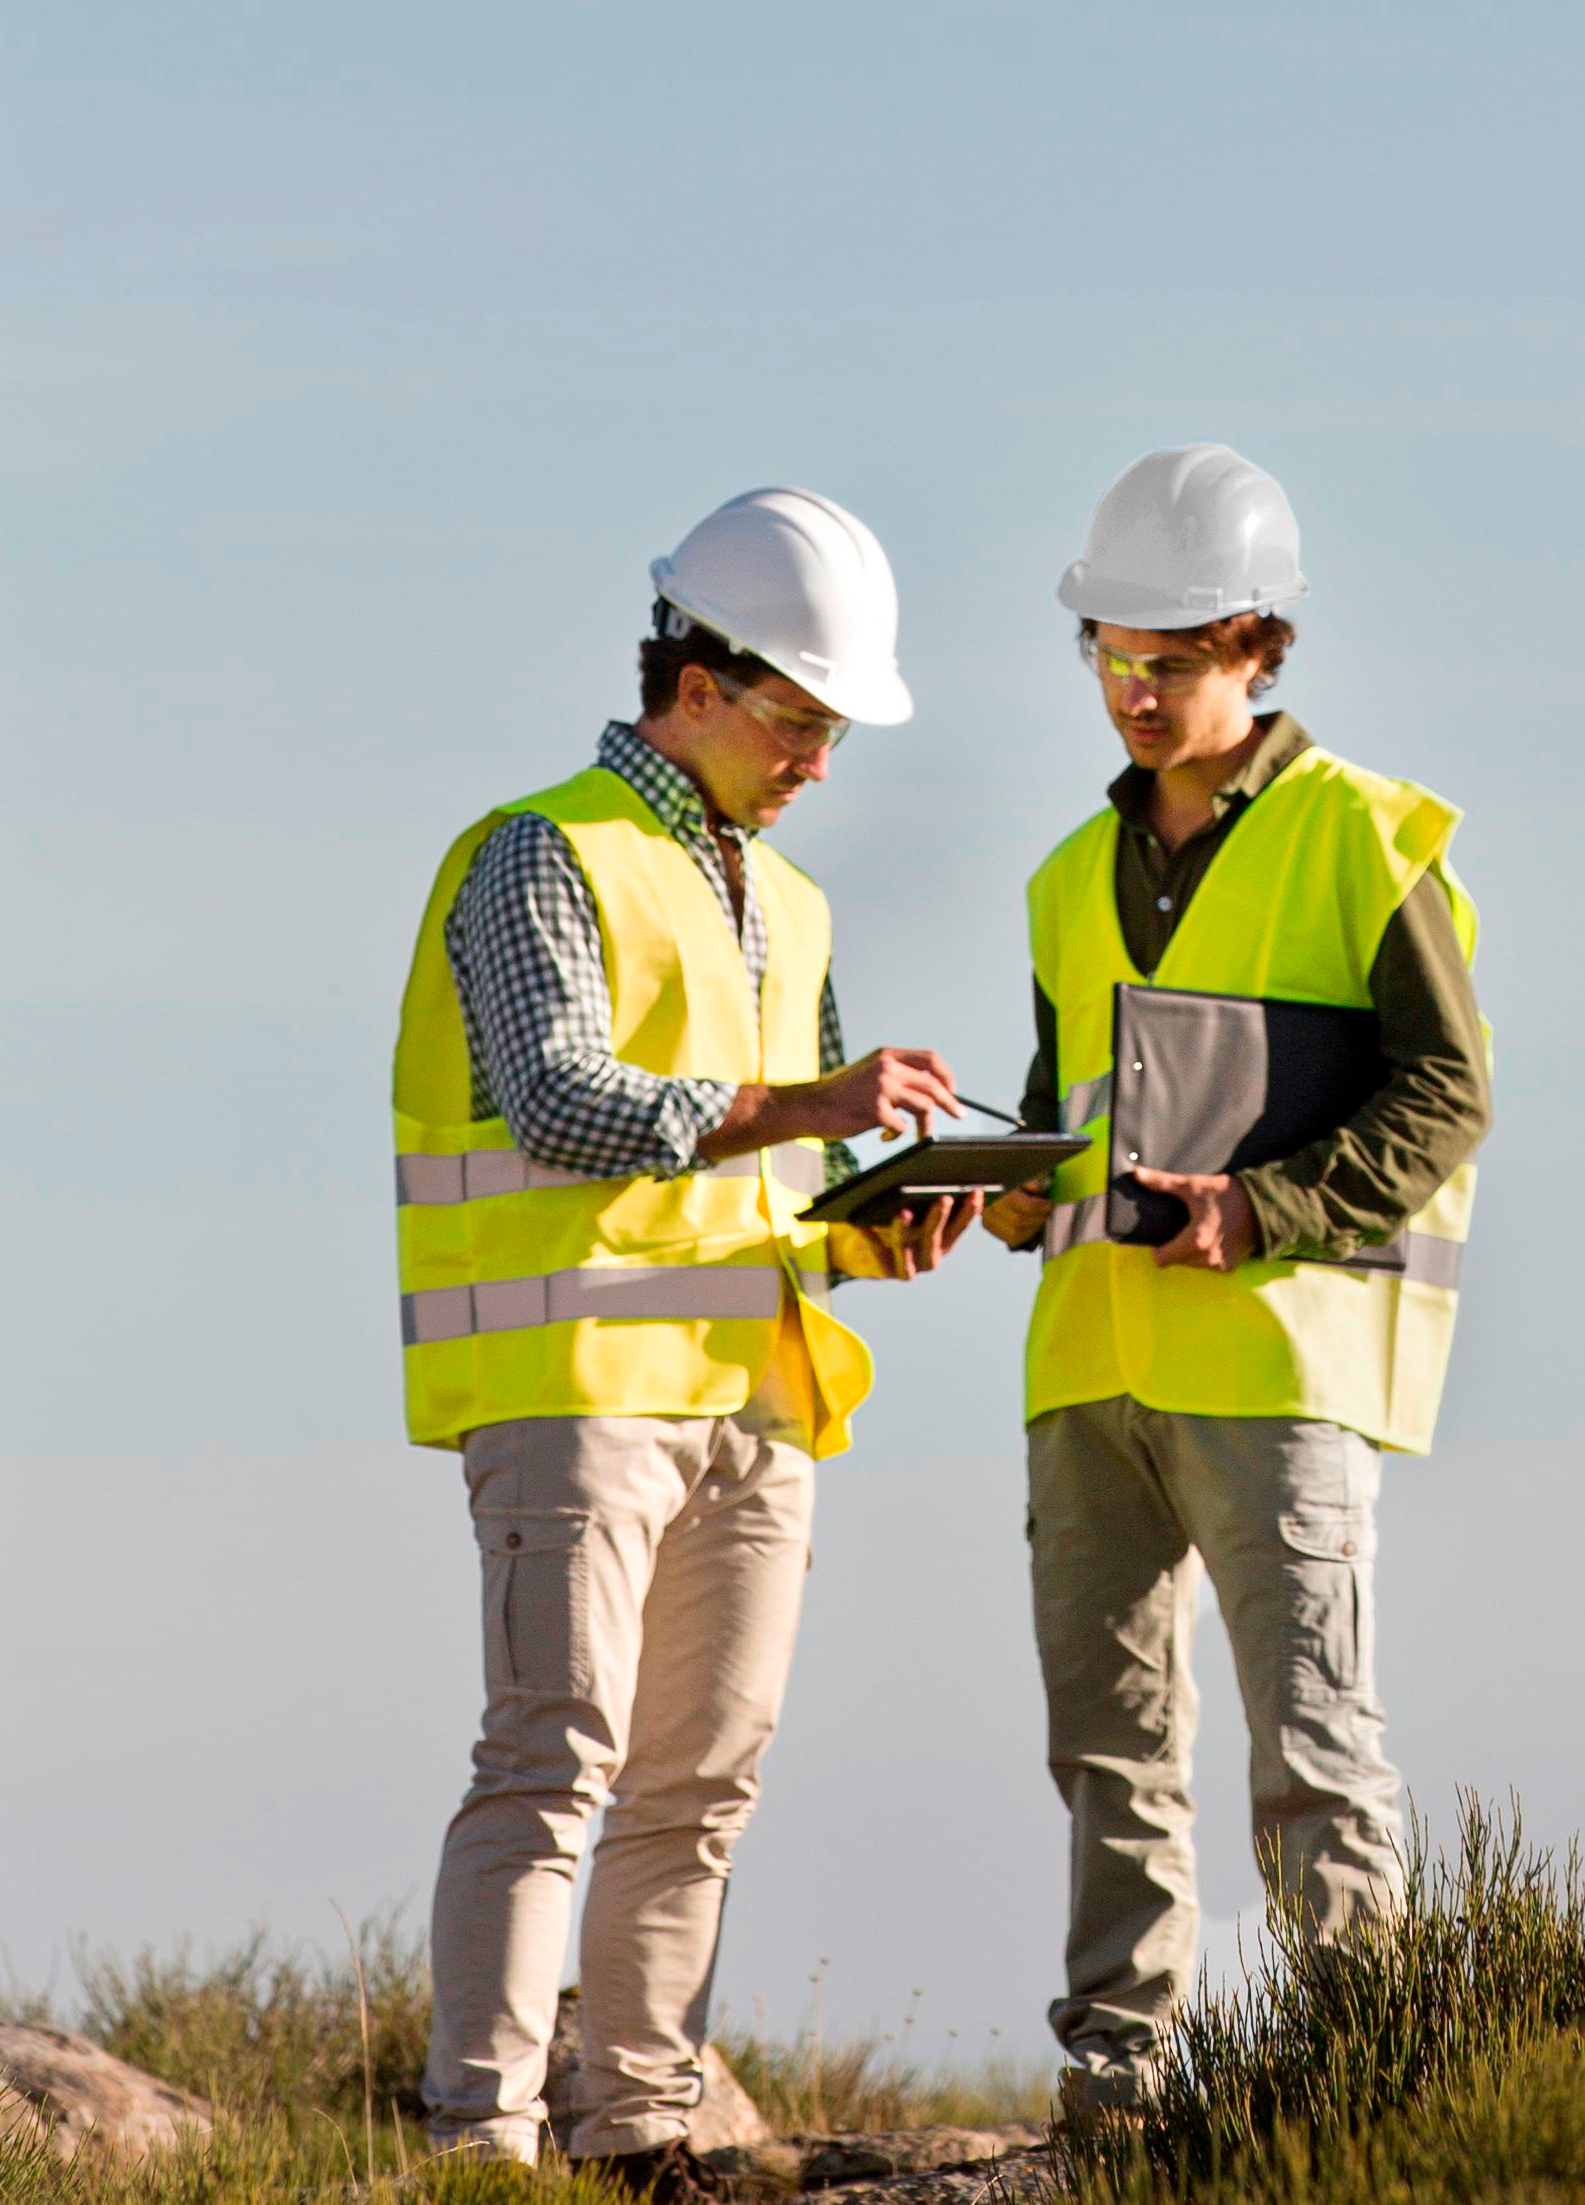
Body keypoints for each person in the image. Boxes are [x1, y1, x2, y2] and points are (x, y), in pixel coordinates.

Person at [394, 487, 978, 2187]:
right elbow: (563, 1097)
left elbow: (792, 1168)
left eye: (835, 732)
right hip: (574, 1386)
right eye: (799, 720)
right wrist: (809, 1100)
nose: (818, 761)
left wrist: (885, 1224)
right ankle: (481, 2139)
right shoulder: (537, 851)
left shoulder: (791, 911)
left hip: (754, 1398)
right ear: (697, 681)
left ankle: (646, 2133)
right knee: (551, 1765)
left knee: (702, 1786)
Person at [986, 443, 1490, 2118]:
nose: (1133, 688)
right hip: (1092, 1369)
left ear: (1259, 645)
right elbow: (1074, 1113)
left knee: (1312, 1749)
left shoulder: (1363, 836)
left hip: (1275, 1367)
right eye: (1110, 655)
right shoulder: (1068, 874)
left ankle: (1363, 2092)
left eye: (1170, 659)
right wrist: (994, 1194)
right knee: (1110, 1751)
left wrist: (1263, 1209)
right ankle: (1120, 2080)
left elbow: (1448, 1092)